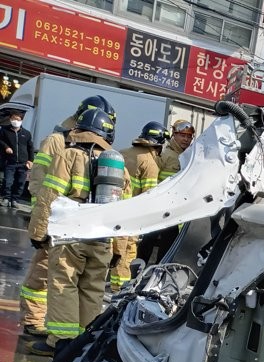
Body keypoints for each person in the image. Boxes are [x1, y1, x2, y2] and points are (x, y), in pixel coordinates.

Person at [19, 95, 117, 336]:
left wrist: (40, 229)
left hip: (65, 229)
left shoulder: (73, 152)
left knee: (63, 282)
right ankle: (35, 320)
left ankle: (62, 338)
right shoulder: (57, 142)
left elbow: (49, 190)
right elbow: (39, 183)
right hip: (69, 226)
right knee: (46, 276)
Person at [110, 121, 165, 291]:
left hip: (112, 209)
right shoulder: (150, 163)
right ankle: (120, 288)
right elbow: (148, 196)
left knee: (112, 248)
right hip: (131, 215)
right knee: (126, 252)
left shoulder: (122, 153)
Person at [0, 110, 33, 206]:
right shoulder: (4, 130)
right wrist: (6, 147)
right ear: (10, 119)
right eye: (14, 119)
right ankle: (6, 199)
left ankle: (15, 200)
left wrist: (30, 160)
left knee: (20, 183)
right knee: (8, 182)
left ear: (21, 120)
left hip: (23, 163)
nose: (15, 121)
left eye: (18, 119)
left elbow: (30, 147)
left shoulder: (26, 133)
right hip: (10, 162)